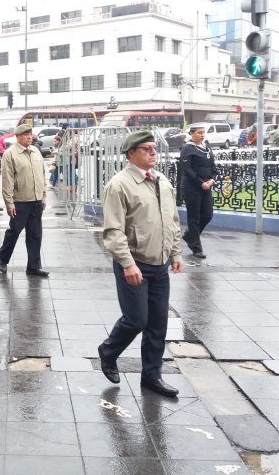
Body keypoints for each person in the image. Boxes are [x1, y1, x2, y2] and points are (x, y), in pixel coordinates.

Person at [98, 130, 183, 397]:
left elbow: (173, 221)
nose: (153, 153)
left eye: (154, 148)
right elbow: (113, 231)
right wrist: (127, 263)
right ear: (130, 153)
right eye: (146, 149)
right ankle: (108, 351)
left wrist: (176, 253)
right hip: (134, 263)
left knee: (158, 323)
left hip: (160, 263)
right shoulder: (119, 184)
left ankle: (152, 376)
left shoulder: (161, 181)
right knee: (137, 319)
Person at [0, 123, 49, 277]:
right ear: (18, 137)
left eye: (30, 134)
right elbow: (8, 181)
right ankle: (2, 257)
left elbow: (42, 176)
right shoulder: (10, 154)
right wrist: (9, 203)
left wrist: (43, 196)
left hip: (36, 200)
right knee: (14, 231)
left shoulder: (35, 152)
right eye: (25, 135)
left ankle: (33, 266)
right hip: (20, 200)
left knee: (35, 234)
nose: (29, 137)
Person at [179, 125, 218, 259]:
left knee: (207, 214)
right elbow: (187, 170)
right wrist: (201, 182)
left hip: (207, 186)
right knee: (194, 217)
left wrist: (212, 179)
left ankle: (190, 236)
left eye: (203, 133)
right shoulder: (187, 148)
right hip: (192, 187)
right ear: (191, 133)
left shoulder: (206, 147)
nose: (202, 135)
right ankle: (196, 247)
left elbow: (213, 166)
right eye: (199, 133)